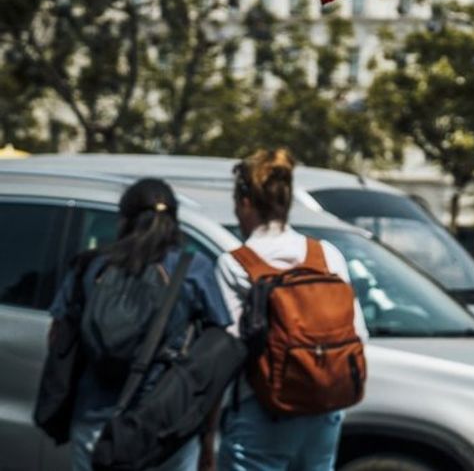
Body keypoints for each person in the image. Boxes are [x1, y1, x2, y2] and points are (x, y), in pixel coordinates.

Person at [48, 178, 231, 471]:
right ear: (174, 221)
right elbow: (215, 360)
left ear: (123, 220)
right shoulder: (193, 270)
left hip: (95, 424)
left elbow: (58, 339)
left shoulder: (91, 266)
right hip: (165, 429)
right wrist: (207, 436)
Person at [214, 148, 368, 471]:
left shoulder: (235, 264)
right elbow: (358, 334)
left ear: (244, 202)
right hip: (324, 413)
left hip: (262, 413)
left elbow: (229, 350)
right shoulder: (326, 255)